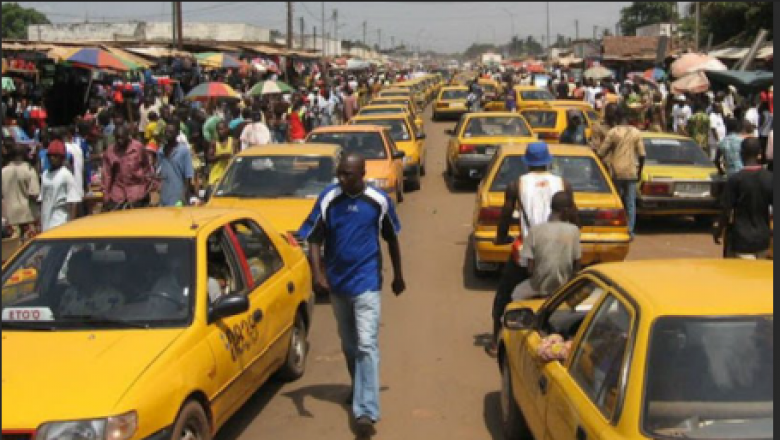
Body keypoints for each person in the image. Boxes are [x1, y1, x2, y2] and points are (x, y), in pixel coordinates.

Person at [298, 153, 406, 435]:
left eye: (347, 174)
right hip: (338, 285)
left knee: (367, 344)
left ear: (362, 174)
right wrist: (318, 274)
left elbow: (391, 237)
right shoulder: (329, 199)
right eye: (340, 174)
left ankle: (366, 412)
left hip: (367, 282)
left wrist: (398, 275)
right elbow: (313, 238)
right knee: (349, 345)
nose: (342, 179)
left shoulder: (378, 201)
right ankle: (360, 387)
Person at [488, 142, 575, 357]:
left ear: (527, 163)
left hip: (529, 255)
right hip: (560, 249)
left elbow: (505, 216)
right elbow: (574, 218)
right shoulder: (563, 183)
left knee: (504, 295)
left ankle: (494, 338)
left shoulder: (516, 185)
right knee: (571, 293)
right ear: (548, 161)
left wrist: (501, 238)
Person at [512, 191, 582, 301]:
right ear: (566, 211)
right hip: (563, 287)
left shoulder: (534, 231)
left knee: (516, 295)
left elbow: (530, 268)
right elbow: (577, 265)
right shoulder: (574, 231)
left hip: (538, 286)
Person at [713, 138, 773, 259]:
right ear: (760, 154)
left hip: (741, 240)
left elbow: (726, 210)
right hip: (763, 240)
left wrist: (719, 230)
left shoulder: (735, 180)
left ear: (741, 154)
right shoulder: (770, 178)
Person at [597, 110, 646, 239]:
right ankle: (629, 230)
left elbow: (601, 152)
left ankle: (616, 227)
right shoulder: (636, 133)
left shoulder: (613, 132)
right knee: (630, 202)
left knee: (617, 201)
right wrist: (640, 171)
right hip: (631, 171)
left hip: (616, 171)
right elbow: (642, 155)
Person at [102, 125, 157, 210]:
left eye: (122, 138)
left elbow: (146, 167)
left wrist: (148, 185)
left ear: (128, 136)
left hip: (137, 192)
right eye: (117, 138)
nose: (120, 141)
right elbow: (107, 175)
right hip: (118, 194)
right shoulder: (110, 151)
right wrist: (106, 195)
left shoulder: (138, 148)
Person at [59, 249, 125, 316]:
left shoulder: (114, 297)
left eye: (74, 268)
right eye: (70, 268)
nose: (69, 272)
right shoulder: (70, 293)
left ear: (88, 270)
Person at [38, 140, 81, 232]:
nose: (52, 158)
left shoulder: (66, 175)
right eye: (50, 156)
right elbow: (42, 199)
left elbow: (73, 201)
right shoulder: (45, 175)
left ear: (62, 158)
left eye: (55, 156)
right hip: (45, 219)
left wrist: (71, 226)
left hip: (60, 219)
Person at [2, 143, 40, 239]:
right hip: (27, 216)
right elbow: (34, 194)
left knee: (14, 249)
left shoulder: (3, 171)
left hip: (10, 216)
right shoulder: (29, 170)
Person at [157, 124, 195, 207]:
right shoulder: (160, 152)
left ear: (177, 134)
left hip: (179, 195)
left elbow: (188, 175)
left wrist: (184, 195)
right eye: (166, 132)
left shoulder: (183, 151)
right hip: (165, 194)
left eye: (171, 132)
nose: (168, 134)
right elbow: (159, 172)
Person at [207, 121, 234, 193]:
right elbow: (209, 158)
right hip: (216, 178)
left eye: (222, 129)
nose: (220, 131)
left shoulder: (233, 142)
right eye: (218, 129)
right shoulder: (214, 143)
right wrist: (221, 156)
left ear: (227, 129)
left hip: (229, 178)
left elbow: (237, 156)